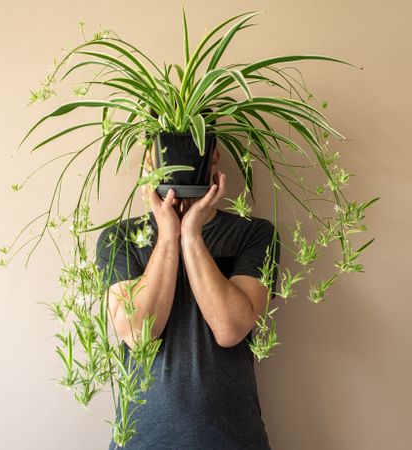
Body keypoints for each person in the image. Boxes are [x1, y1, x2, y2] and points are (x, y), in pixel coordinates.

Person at [96, 129, 280, 450]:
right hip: (142, 442)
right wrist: (168, 236)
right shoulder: (120, 238)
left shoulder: (254, 234)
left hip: (233, 441)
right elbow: (139, 333)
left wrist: (192, 235)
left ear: (214, 157)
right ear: (149, 159)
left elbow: (230, 329)